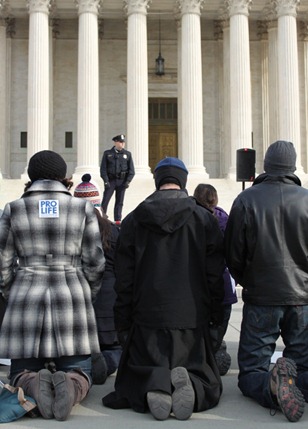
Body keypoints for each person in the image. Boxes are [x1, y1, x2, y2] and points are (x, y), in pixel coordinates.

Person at [103, 157, 225, 421]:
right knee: (199, 370)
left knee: (142, 367)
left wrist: (122, 320)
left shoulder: (134, 219)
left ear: (158, 181)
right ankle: (190, 384)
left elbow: (124, 278)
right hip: (191, 317)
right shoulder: (204, 219)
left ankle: (154, 383)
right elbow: (215, 274)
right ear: (182, 181)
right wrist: (215, 315)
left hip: (147, 317)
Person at [0, 150, 105, 421]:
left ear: (31, 176)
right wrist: (86, 293)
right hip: (71, 287)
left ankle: (33, 384)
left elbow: (2, 263)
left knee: (21, 371)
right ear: (63, 176)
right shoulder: (84, 208)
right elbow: (95, 262)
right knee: (80, 369)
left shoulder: (13, 208)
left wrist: (13, 291)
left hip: (26, 289)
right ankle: (70, 386)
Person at [224, 140, 308, 423]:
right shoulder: (307, 199)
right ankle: (294, 384)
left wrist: (248, 281)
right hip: (302, 298)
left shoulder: (247, 200)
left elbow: (233, 253)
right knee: (304, 364)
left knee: (251, 370)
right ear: (293, 166)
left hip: (262, 297)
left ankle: (273, 386)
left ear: (266, 165)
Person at [74, 174, 122, 383]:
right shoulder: (112, 230)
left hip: (81, 302)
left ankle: (89, 365)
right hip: (109, 304)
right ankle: (107, 362)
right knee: (116, 348)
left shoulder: (72, 230)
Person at [193, 184, 237, 376]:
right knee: (217, 332)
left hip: (196, 286)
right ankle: (212, 354)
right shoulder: (223, 218)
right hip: (223, 285)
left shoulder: (191, 217)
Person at [100, 134, 135, 223]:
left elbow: (131, 170)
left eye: (123, 142)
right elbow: (103, 169)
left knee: (119, 202)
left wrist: (128, 181)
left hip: (122, 181)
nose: (122, 144)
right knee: (105, 200)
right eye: (120, 142)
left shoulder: (127, 154)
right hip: (111, 181)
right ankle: (102, 218)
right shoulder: (108, 153)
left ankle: (118, 220)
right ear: (115, 142)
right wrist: (106, 181)